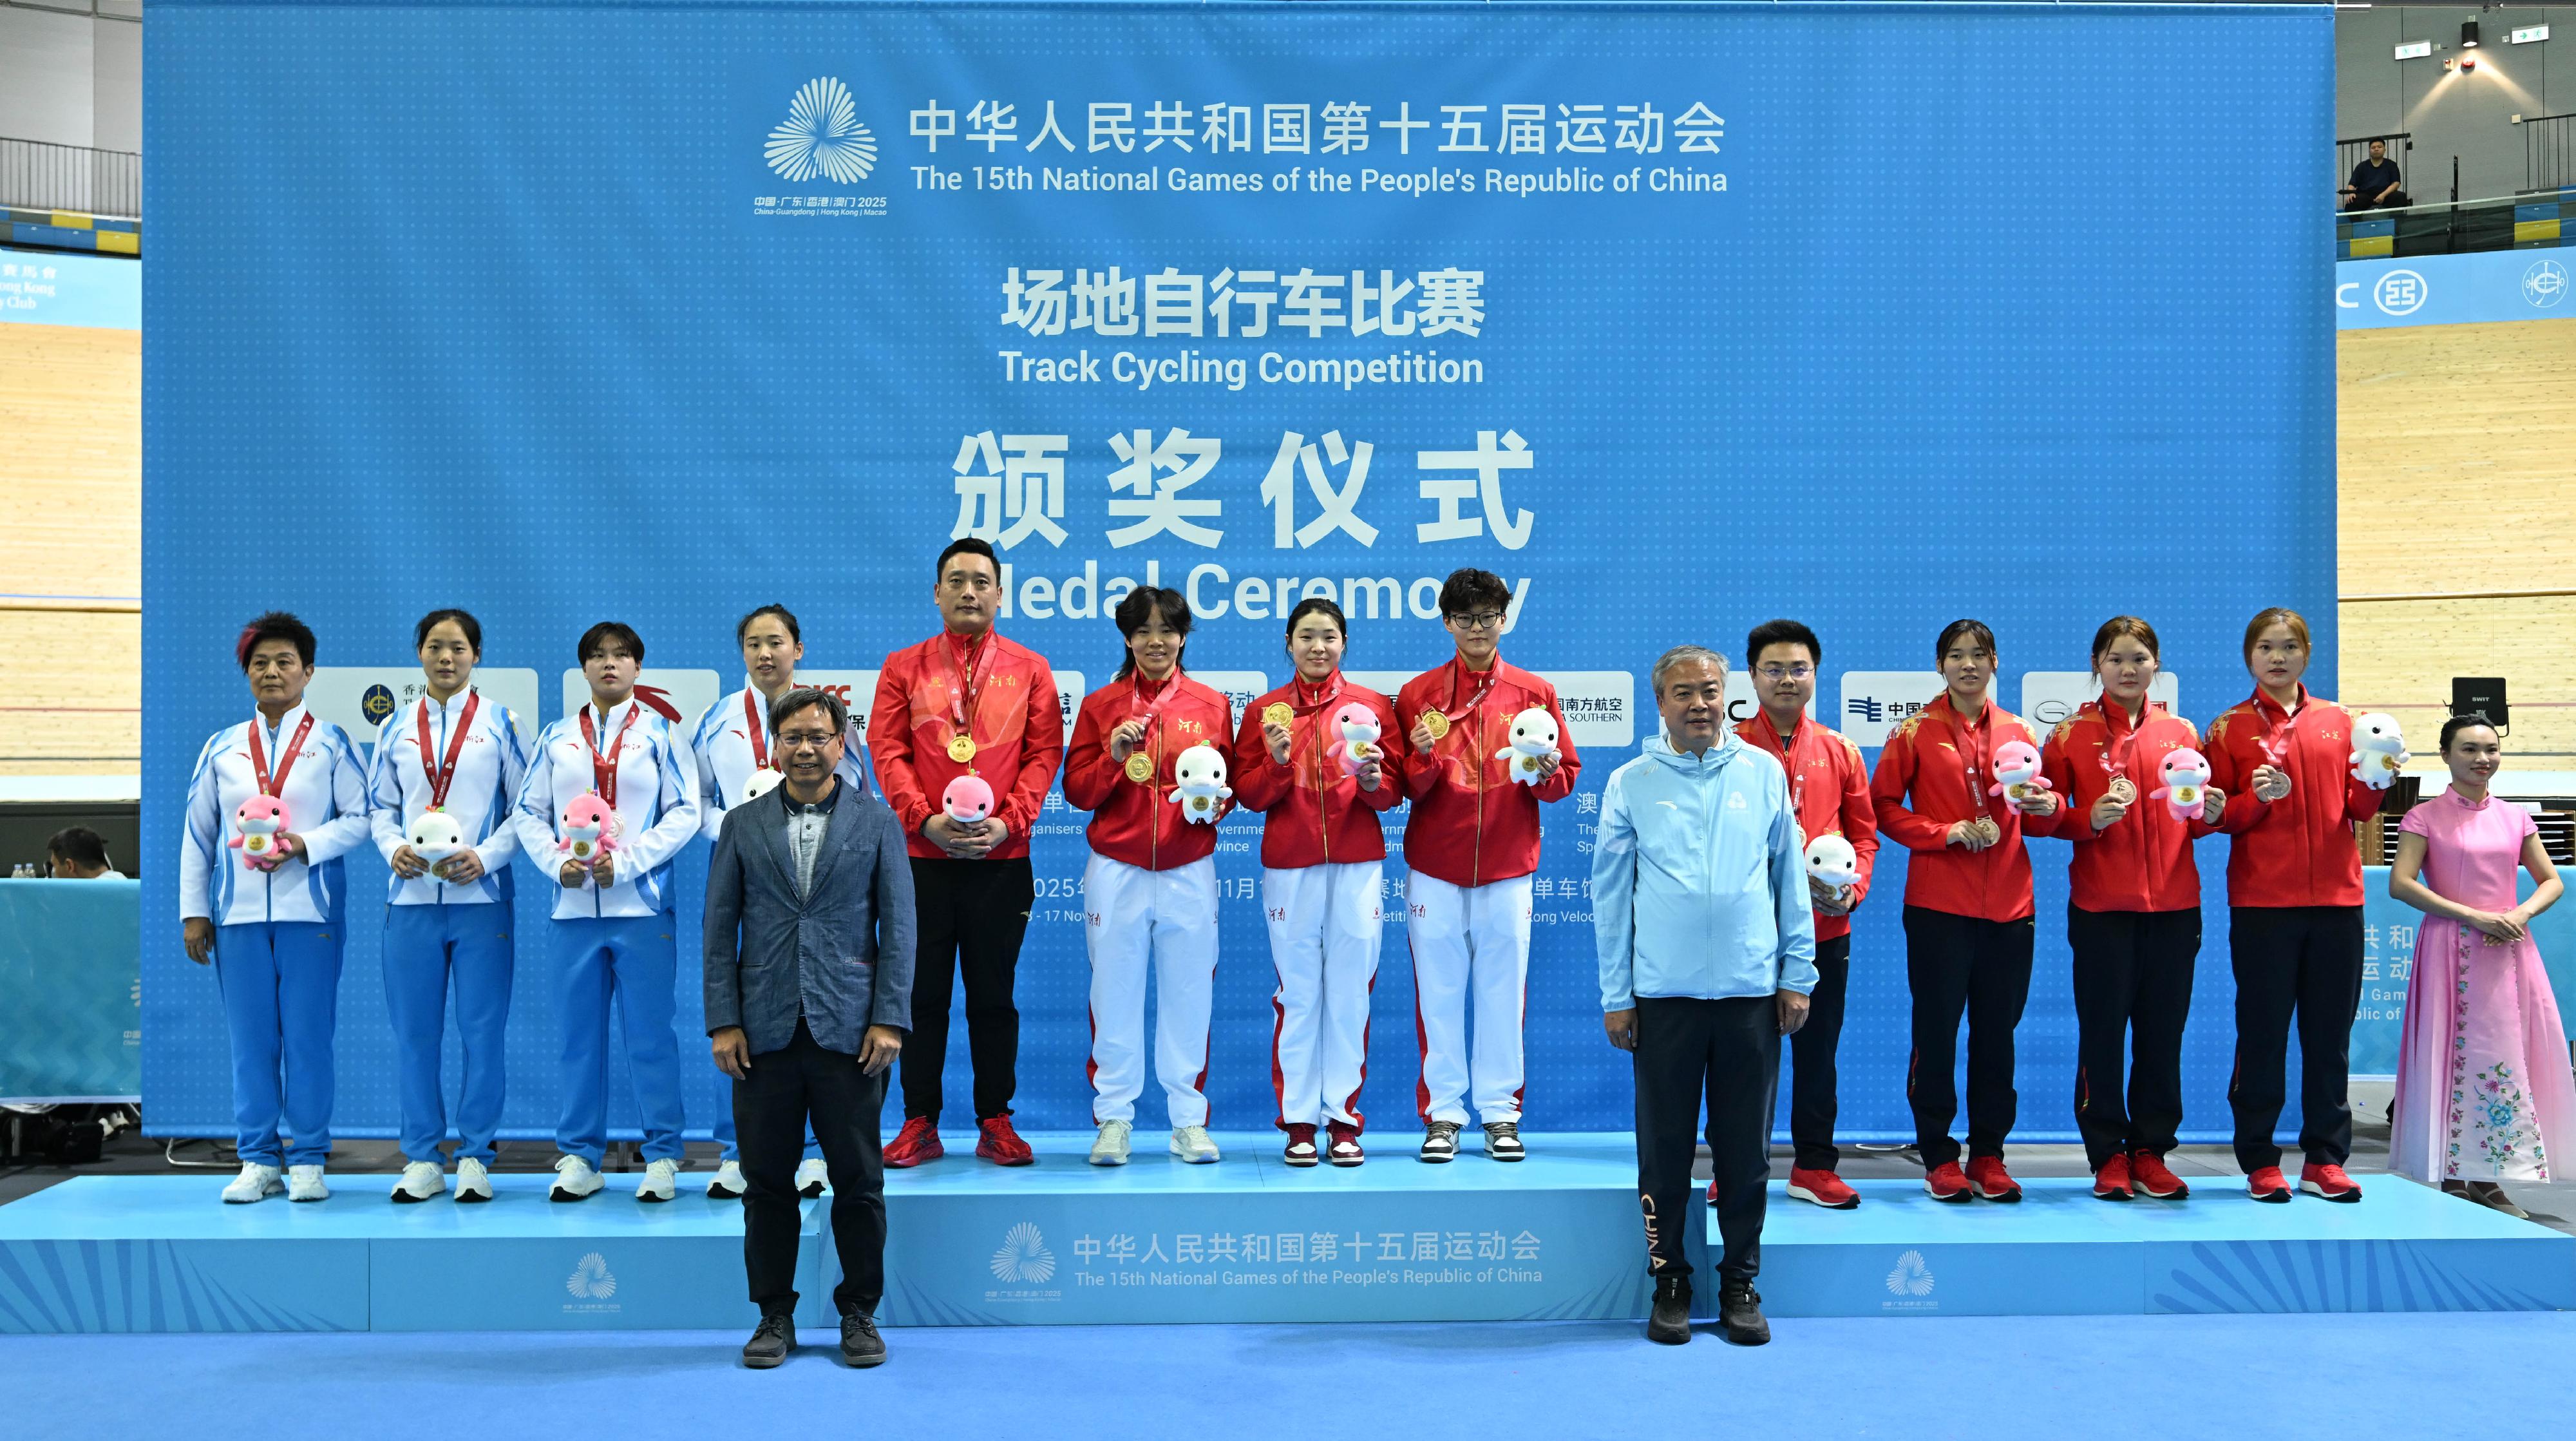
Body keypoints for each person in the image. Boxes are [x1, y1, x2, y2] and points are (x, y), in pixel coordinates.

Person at [1595, 645, 1813, 1348]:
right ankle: (1671, 1280)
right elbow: (1609, 898)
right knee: (1663, 1150)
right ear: (1658, 703)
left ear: (1728, 696)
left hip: (1751, 995)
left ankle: (1741, 1280)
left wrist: (1795, 974)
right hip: (1663, 999)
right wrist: (1617, 993)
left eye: (1710, 690)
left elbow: (1789, 879)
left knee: (1745, 1151)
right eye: (1682, 692)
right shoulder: (1631, 781)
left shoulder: (1763, 771)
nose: (1698, 703)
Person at [704, 687, 915, 1369]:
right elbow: (717, 932)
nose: (804, 747)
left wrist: (888, 1016)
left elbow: (900, 928)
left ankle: (859, 1312)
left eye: (817, 736)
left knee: (858, 1179)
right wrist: (723, 1021)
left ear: (840, 741)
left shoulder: (876, 821)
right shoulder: (741, 823)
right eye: (791, 736)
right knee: (766, 1183)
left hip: (851, 1029)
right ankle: (773, 1314)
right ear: (774, 744)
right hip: (761, 1031)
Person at [870, 537, 1064, 1167]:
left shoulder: (1030, 667)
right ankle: (919, 1119)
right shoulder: (904, 666)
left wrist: (1009, 824)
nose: (969, 591)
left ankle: (995, 1119)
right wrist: (923, 819)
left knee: (992, 996)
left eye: (981, 580)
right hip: (920, 861)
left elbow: (1043, 754)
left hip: (1000, 863)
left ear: (1000, 593)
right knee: (920, 996)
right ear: (936, 592)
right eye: (956, 580)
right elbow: (887, 749)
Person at [179, 611, 371, 1204]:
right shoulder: (222, 747)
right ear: (247, 674)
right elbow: (198, 832)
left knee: (309, 1038)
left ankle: (309, 1157)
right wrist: (194, 911)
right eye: (260, 663)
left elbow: (362, 820)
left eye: (285, 661)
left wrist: (307, 844)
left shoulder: (331, 742)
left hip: (310, 916)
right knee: (252, 1041)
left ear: (308, 671)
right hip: (236, 919)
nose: (272, 671)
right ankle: (258, 1157)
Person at [1870, 619, 2059, 1203]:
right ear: (1940, 666)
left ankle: (1989, 1153)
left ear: (1995, 662)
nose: (1968, 664)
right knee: (1937, 1031)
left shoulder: (2019, 730)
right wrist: (1944, 831)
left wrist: (2047, 802)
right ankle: (1938, 1155)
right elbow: (1882, 808)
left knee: (1997, 1036)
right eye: (1956, 655)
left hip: (2010, 906)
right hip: (1938, 908)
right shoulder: (1915, 731)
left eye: (1979, 654)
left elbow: (2044, 814)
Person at [2036, 618, 2224, 1203]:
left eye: (2139, 658)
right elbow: (2040, 814)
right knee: (2103, 1035)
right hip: (2101, 910)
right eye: (2116, 658)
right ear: (2097, 663)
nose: (2128, 668)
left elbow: (2194, 823)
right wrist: (2084, 819)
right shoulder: (2069, 734)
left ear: (2156, 664)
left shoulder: (2183, 732)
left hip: (2174, 907)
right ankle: (2108, 1154)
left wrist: (2212, 812)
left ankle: (2150, 1150)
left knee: (2163, 1035)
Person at [1396, 568, 1579, 1163]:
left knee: (1504, 993)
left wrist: (1548, 771)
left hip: (1506, 866)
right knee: (1439, 994)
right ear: (1447, 623)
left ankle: (1501, 1113)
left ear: (1505, 619)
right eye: (1465, 618)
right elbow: (1405, 786)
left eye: (1488, 616)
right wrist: (1421, 758)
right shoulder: (1418, 694)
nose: (1477, 628)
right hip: (1435, 864)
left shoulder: (1534, 691)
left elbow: (1564, 778)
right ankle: (1444, 1114)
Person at [514, 621, 701, 1202]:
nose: (610, 664)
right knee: (578, 1038)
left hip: (641, 909)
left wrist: (628, 864)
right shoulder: (557, 736)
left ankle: (665, 1154)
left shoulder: (663, 734)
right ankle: (579, 1155)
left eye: (621, 655)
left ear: (639, 667)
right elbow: (527, 811)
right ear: (584, 669)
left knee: (650, 1035)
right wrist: (556, 864)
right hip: (573, 912)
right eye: (598, 656)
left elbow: (686, 812)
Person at [2203, 607, 2384, 1202]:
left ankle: (2325, 1158)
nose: (2277, 658)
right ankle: (2259, 1156)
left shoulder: (2342, 721)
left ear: (2307, 654)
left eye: (2289, 647)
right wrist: (2253, 800)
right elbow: (2212, 817)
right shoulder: (2228, 728)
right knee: (2262, 1033)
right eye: (2265, 648)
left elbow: (2358, 809)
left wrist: (2378, 778)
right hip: (2263, 904)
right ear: (2248, 656)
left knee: (2329, 1035)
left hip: (2337, 901)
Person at [691, 603, 862, 1199]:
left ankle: (814, 1153)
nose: (766, 653)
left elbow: (857, 791)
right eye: (754, 643)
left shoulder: (829, 716)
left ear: (799, 648)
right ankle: (738, 1149)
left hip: (821, 875)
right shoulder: (715, 719)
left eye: (777, 641)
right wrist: (744, 828)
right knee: (741, 1003)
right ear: (742, 652)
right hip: (750, 868)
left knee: (816, 1005)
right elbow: (695, 802)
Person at [1064, 587, 1235, 1165]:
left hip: (1189, 868)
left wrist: (1213, 805)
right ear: (1128, 638)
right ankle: (1114, 1117)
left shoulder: (1212, 704)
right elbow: (1078, 791)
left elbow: (1224, 789)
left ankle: (1188, 1119)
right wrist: (1112, 755)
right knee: (1112, 991)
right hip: (1117, 868)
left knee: (1190, 991)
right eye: (1143, 631)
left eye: (1167, 630)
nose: (1155, 641)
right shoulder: (1100, 705)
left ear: (1183, 636)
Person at [367, 607, 529, 1203]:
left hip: (481, 900)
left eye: (458, 647)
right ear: (419, 654)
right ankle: (421, 1157)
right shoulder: (395, 727)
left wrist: (486, 856)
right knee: (416, 1034)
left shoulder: (502, 723)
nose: (446, 657)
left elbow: (527, 809)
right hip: (409, 902)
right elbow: (378, 808)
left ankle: (476, 1156)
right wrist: (392, 848)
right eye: (435, 646)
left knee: (481, 1033)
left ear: (476, 655)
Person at [1233, 597, 1404, 1167]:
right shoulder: (1265, 711)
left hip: (1357, 863)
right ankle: (1301, 1122)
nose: (1318, 647)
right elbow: (1248, 794)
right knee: (1299, 995)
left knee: (1351, 991)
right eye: (1306, 636)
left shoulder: (1373, 705)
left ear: (1344, 643)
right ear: (1288, 642)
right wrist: (1278, 762)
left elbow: (1393, 792)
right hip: (1291, 867)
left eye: (1329, 636)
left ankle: (1343, 1119)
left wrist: (1377, 779)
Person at [2387, 716, 2571, 1219]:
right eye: (2468, 749)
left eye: (2491, 749)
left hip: (2509, 951)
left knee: (2506, 1058)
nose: (2481, 758)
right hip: (2448, 947)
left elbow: (2551, 880)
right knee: (2448, 1054)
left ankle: (2491, 1175)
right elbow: (2401, 883)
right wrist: (2471, 915)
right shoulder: (2423, 817)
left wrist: (2518, 913)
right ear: (2445, 754)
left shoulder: (2516, 818)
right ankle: (2451, 1171)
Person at [1733, 619, 1877, 1210]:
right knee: (1744, 1056)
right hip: (1744, 935)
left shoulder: (1841, 749)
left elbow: (1865, 836)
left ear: (1816, 673)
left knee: (1818, 1054)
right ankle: (1740, 1165)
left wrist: (1853, 889)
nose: (1787, 679)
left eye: (1799, 668)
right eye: (1774, 668)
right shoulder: (1729, 745)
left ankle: (1815, 1165)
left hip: (1824, 931)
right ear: (1752, 675)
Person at [2342, 139, 2409, 211]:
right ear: (2369, 151)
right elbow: (2352, 184)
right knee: (2352, 201)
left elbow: (2396, 183)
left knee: (2400, 197)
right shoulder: (2362, 166)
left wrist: (2383, 195)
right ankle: (2358, 223)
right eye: (2373, 148)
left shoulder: (2391, 165)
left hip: (2386, 194)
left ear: (2385, 150)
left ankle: (2396, 222)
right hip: (2365, 195)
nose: (2376, 149)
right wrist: (2351, 193)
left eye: (2379, 147)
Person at [47, 826, 121, 878]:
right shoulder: (122, 881)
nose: (54, 872)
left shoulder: (85, 897)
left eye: (55, 866)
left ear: (70, 866)